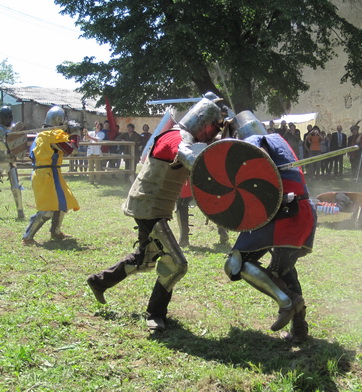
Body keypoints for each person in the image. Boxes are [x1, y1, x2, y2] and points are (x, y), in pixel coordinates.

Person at [86, 94, 226, 331]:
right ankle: (155, 314)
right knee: (177, 264)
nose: (213, 133)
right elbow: (188, 157)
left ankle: (99, 281)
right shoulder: (177, 137)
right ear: (203, 123)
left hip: (151, 206)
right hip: (148, 207)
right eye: (213, 127)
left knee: (145, 258)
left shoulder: (182, 137)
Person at [224, 111, 316, 344]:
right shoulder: (280, 141)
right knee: (283, 271)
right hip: (303, 210)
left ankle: (287, 302)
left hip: (284, 213)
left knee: (236, 262)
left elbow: (261, 166)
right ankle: (299, 329)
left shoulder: (255, 142)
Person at [22, 106, 81, 245]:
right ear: (59, 121)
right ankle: (27, 236)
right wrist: (75, 134)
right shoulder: (50, 135)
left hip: (51, 172)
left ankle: (56, 231)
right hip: (45, 174)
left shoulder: (44, 134)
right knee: (47, 209)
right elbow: (72, 150)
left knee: (63, 203)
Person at [0, 105, 25, 219]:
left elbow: (19, 143)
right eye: (5, 116)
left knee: (16, 187)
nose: (8, 119)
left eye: (9, 116)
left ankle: (20, 211)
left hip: (11, 161)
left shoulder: (16, 128)